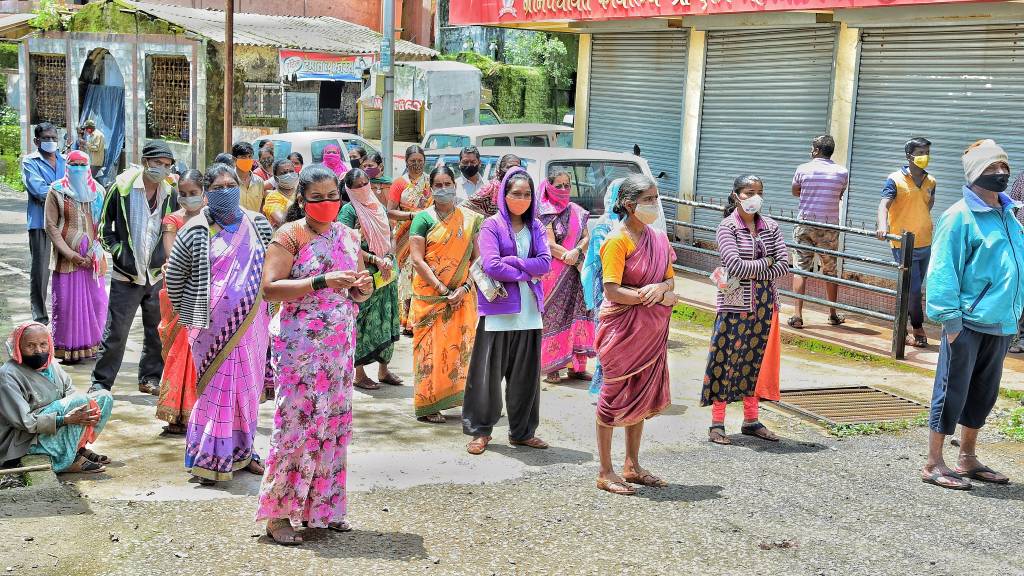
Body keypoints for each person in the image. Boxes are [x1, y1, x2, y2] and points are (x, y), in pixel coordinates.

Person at [257, 165, 373, 546]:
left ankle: (324, 508)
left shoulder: (349, 236)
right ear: (303, 201)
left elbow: (356, 290)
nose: (326, 204)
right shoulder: (290, 235)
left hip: (339, 350)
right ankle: (277, 515)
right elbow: (270, 289)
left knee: (332, 428)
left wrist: (363, 287)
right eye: (317, 198)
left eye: (332, 196)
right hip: (300, 350)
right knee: (297, 426)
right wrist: (318, 281)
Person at [165, 163, 274, 484]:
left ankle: (243, 452)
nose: (225, 191)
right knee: (218, 390)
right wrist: (194, 315)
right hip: (209, 331)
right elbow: (173, 278)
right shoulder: (195, 230)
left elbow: (272, 269)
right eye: (218, 187)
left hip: (254, 326)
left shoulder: (258, 224)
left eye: (231, 185)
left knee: (247, 391)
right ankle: (208, 456)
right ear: (207, 192)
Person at [922, 139, 1018, 490]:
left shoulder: (1009, 214)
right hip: (966, 323)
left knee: (984, 393)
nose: (1000, 173)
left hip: (1002, 321)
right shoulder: (959, 216)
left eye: (1004, 166)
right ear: (974, 173)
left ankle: (967, 457)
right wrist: (950, 320)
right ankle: (934, 462)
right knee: (952, 391)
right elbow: (943, 270)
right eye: (992, 168)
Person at [593, 174, 678, 495]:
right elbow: (612, 290)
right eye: (649, 200)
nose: (656, 205)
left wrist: (662, 288)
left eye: (656, 198)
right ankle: (605, 470)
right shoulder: (618, 240)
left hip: (650, 333)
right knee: (613, 398)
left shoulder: (658, 239)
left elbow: (670, 280)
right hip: (621, 332)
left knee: (639, 396)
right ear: (629, 205)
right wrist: (651, 294)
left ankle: (632, 464)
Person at [463, 167, 551, 455]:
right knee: (487, 375)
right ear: (504, 194)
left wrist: (514, 263)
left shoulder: (536, 226)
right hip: (499, 311)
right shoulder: (491, 225)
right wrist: (528, 269)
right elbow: (491, 264)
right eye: (516, 193)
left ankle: (522, 432)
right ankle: (480, 431)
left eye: (527, 194)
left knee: (526, 376)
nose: (522, 199)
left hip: (529, 312)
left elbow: (546, 263)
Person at [703, 175, 790, 446]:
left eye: (759, 192)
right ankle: (717, 422)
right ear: (736, 195)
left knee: (756, 360)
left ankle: (751, 419)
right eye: (749, 191)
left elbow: (785, 264)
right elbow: (735, 266)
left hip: (765, 303)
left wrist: (759, 267)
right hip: (734, 304)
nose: (755, 197)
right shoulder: (727, 228)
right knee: (725, 358)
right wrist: (767, 262)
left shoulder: (771, 226)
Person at [91, 140, 178, 395]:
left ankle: (150, 378)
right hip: (126, 275)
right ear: (145, 162)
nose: (161, 169)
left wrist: (165, 260)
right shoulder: (122, 188)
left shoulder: (170, 193)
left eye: (166, 165)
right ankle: (101, 383)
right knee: (116, 332)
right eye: (157, 164)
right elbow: (105, 228)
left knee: (155, 332)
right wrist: (120, 254)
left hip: (155, 275)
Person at [409, 165, 483, 423]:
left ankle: (456, 398)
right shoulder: (423, 218)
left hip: (461, 297)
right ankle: (428, 405)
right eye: (437, 185)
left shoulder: (469, 219)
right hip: (431, 298)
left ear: (455, 185)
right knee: (429, 350)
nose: (443, 189)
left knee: (459, 348)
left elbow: (478, 259)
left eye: (447, 184)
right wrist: (443, 289)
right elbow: (417, 260)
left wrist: (463, 288)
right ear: (430, 188)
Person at [0, 322, 113, 474]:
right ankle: (66, 460)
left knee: (104, 397)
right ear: (18, 347)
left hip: (53, 425)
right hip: (24, 439)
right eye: (30, 346)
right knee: (80, 402)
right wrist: (64, 419)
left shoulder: (51, 364)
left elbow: (70, 391)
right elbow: (25, 422)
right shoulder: (8, 375)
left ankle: (77, 447)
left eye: (43, 344)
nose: (38, 350)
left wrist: (81, 412)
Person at [338, 168, 402, 390]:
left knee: (388, 317)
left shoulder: (378, 206)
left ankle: (384, 370)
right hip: (366, 274)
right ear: (349, 189)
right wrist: (375, 259)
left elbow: (391, 235)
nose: (364, 188)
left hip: (387, 272)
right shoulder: (348, 212)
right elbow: (348, 243)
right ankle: (359, 373)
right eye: (358, 185)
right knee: (363, 321)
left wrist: (389, 257)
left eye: (366, 183)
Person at [44, 150, 108, 363]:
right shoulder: (57, 190)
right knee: (68, 304)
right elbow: (51, 225)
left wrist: (93, 252)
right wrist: (70, 254)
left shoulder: (98, 191)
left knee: (98, 302)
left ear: (89, 167)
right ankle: (69, 350)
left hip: (92, 259)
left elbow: (103, 224)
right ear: (67, 166)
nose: (78, 169)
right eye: (74, 164)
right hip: (66, 259)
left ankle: (93, 346)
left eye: (83, 165)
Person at [155, 170, 205, 434]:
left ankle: (198, 410)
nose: (188, 198)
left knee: (200, 350)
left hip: (206, 290)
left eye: (193, 193)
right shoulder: (172, 220)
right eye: (183, 194)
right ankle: (176, 412)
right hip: (179, 290)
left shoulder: (213, 219)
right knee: (179, 349)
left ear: (204, 192)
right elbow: (172, 255)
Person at [877, 137, 936, 348]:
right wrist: (882, 226)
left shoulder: (931, 181)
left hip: (925, 241)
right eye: (920, 152)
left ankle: (902, 326)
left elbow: (926, 207)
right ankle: (917, 329)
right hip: (903, 243)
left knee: (915, 287)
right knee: (912, 288)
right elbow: (884, 205)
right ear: (909, 156)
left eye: (927, 152)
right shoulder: (895, 179)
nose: (924, 157)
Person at [538, 167, 595, 383]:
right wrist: (567, 255)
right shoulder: (545, 212)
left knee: (577, 316)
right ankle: (552, 367)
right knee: (553, 317)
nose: (563, 189)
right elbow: (548, 243)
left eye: (567, 185)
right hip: (553, 273)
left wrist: (577, 251)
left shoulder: (577, 211)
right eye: (558, 185)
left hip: (576, 271)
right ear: (550, 187)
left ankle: (577, 367)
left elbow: (586, 236)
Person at [789, 135, 848, 329]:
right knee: (830, 271)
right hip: (829, 227)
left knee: (800, 269)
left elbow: (795, 191)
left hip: (805, 223)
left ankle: (797, 315)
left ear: (815, 150)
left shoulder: (803, 169)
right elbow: (839, 194)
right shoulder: (842, 172)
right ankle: (832, 314)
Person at [581, 179, 625, 400]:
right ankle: (604, 387)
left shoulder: (634, 225)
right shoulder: (603, 226)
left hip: (628, 288)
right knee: (608, 337)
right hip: (607, 289)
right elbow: (601, 259)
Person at [22, 122, 66, 325]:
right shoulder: (30, 162)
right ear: (36, 141)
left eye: (54, 138)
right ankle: (40, 318)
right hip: (40, 223)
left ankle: (64, 316)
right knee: (40, 272)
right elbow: (39, 191)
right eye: (46, 138)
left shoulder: (65, 161)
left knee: (67, 269)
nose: (51, 142)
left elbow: (80, 184)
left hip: (66, 223)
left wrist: (56, 190)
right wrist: (67, 191)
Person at [388, 145, 432, 334]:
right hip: (405, 234)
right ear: (406, 162)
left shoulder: (430, 182)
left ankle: (420, 318)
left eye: (419, 161)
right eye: (412, 161)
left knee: (422, 274)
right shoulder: (399, 183)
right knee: (405, 276)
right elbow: (390, 210)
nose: (416, 165)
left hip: (427, 234)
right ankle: (405, 320)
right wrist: (412, 216)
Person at [1009, 169, 1024, 353]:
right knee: (1019, 290)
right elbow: (1011, 208)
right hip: (1021, 241)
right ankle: (1017, 338)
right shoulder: (1022, 177)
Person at [263, 159, 299, 229]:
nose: (289, 175)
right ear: (276, 179)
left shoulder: (301, 192)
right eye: (284, 173)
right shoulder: (273, 197)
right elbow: (282, 222)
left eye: (291, 171)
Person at [232, 141, 267, 213]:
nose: (247, 160)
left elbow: (261, 206)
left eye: (250, 157)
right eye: (243, 157)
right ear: (235, 159)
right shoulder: (229, 181)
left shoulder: (259, 181)